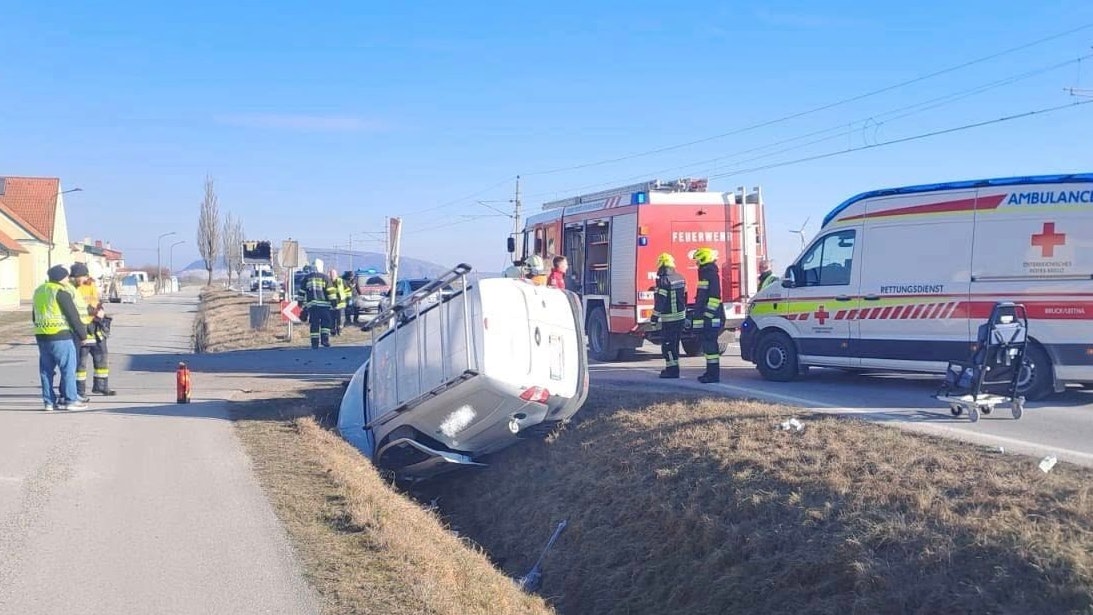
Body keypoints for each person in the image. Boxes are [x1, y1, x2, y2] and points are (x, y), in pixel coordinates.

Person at [33, 266, 89, 411]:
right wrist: (83, 335)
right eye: (66, 277)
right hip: (60, 335)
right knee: (68, 369)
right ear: (61, 278)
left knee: (46, 371)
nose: (67, 279)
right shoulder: (61, 291)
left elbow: (34, 315)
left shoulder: (39, 291)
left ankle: (49, 402)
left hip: (42, 335)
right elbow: (72, 315)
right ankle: (71, 400)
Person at [71, 263, 116, 397]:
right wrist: (96, 311)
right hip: (82, 328)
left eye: (83, 277)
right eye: (78, 277)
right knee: (81, 363)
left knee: (102, 357)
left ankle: (101, 386)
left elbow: (95, 300)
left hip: (95, 326)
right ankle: (80, 390)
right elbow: (78, 306)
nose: (81, 279)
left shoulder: (90, 284)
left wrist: (100, 309)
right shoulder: (71, 288)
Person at [691, 247, 725, 383]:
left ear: (703, 259)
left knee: (711, 348)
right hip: (709, 318)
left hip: (712, 318)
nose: (696, 263)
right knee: (708, 347)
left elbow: (715, 298)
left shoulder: (710, 274)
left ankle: (713, 375)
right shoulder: (706, 274)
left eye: (698, 260)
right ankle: (710, 373)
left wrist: (706, 316)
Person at [650, 252, 687, 379]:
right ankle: (674, 369)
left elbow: (661, 301)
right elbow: (683, 296)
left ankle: (672, 371)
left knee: (668, 346)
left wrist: (654, 318)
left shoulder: (664, 280)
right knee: (675, 344)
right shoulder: (680, 277)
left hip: (669, 319)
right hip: (680, 317)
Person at [296, 259, 333, 349]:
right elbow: (331, 292)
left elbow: (301, 292)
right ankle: (325, 341)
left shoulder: (307, 278)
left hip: (312, 307)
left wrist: (300, 303)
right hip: (324, 306)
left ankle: (314, 343)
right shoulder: (325, 278)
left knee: (314, 324)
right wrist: (334, 303)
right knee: (325, 324)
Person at [326, 269, 349, 336]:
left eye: (333, 274)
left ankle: (340, 331)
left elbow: (348, 290)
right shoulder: (327, 282)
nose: (332, 275)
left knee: (340, 319)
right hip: (331, 304)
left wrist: (348, 299)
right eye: (330, 274)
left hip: (340, 304)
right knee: (331, 319)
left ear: (336, 274)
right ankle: (332, 331)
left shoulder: (341, 281)